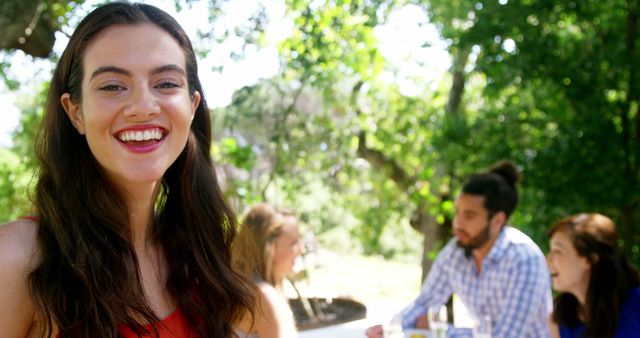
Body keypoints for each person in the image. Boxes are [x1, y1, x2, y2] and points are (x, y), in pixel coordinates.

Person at [0, 3, 255, 337]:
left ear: (191, 107)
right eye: (112, 86)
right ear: (75, 111)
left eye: (165, 84)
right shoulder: (17, 258)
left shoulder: (203, 260)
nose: (143, 107)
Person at [366, 161, 552, 338]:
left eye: (469, 216)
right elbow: (424, 303)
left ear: (497, 221)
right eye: (457, 212)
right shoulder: (457, 250)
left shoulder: (525, 260)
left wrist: (443, 331)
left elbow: (503, 337)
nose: (458, 223)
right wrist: (390, 329)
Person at [546, 213, 640, 338]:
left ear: (589, 260)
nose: (548, 259)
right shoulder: (558, 318)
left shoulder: (635, 305)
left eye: (558, 251)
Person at [233, 203, 302, 338]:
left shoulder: (239, 288)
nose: (302, 249)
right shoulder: (266, 299)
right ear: (269, 249)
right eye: (294, 243)